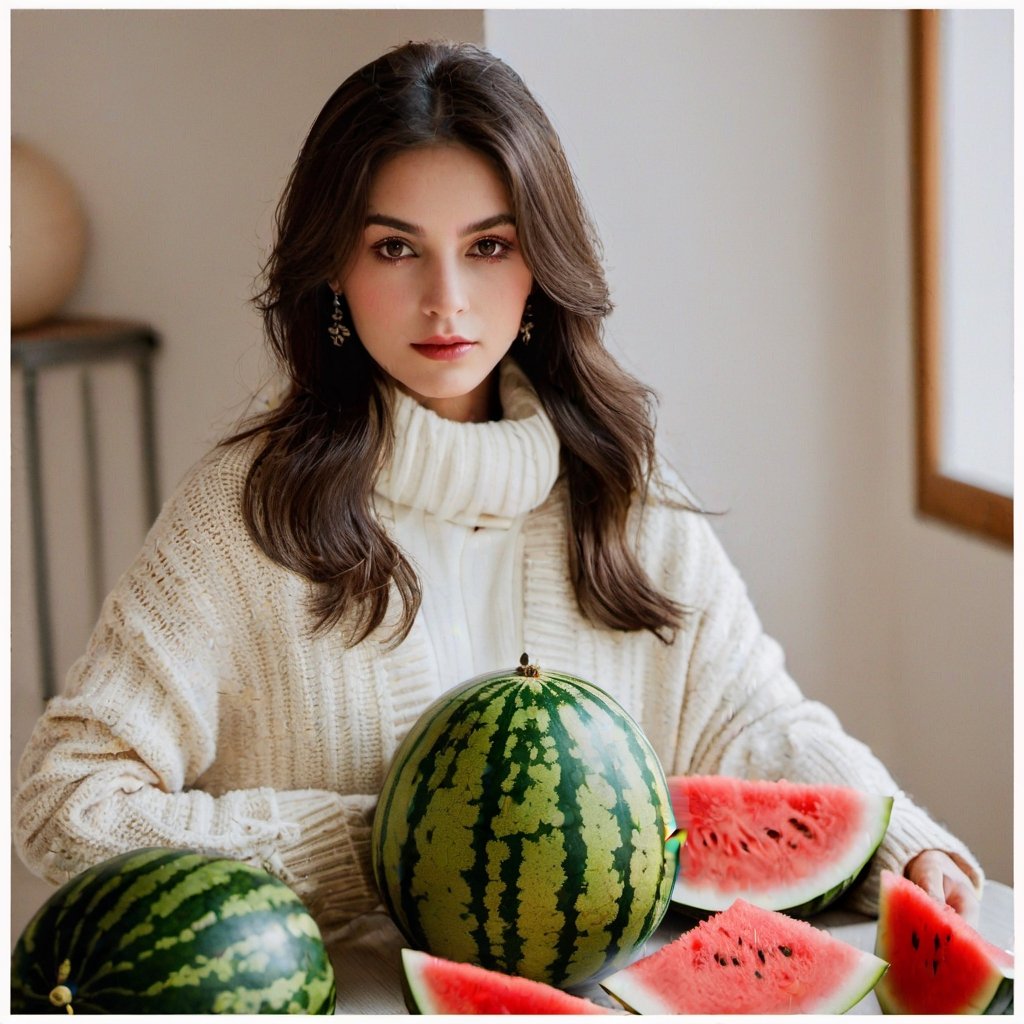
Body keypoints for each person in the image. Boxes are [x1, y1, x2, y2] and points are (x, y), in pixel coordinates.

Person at [15, 40, 982, 970]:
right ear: (335, 276)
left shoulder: (622, 484)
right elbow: (64, 807)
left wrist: (904, 842)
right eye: (396, 248)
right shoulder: (243, 516)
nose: (447, 302)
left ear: (541, 266)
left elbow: (751, 723)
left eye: (488, 246)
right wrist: (381, 845)